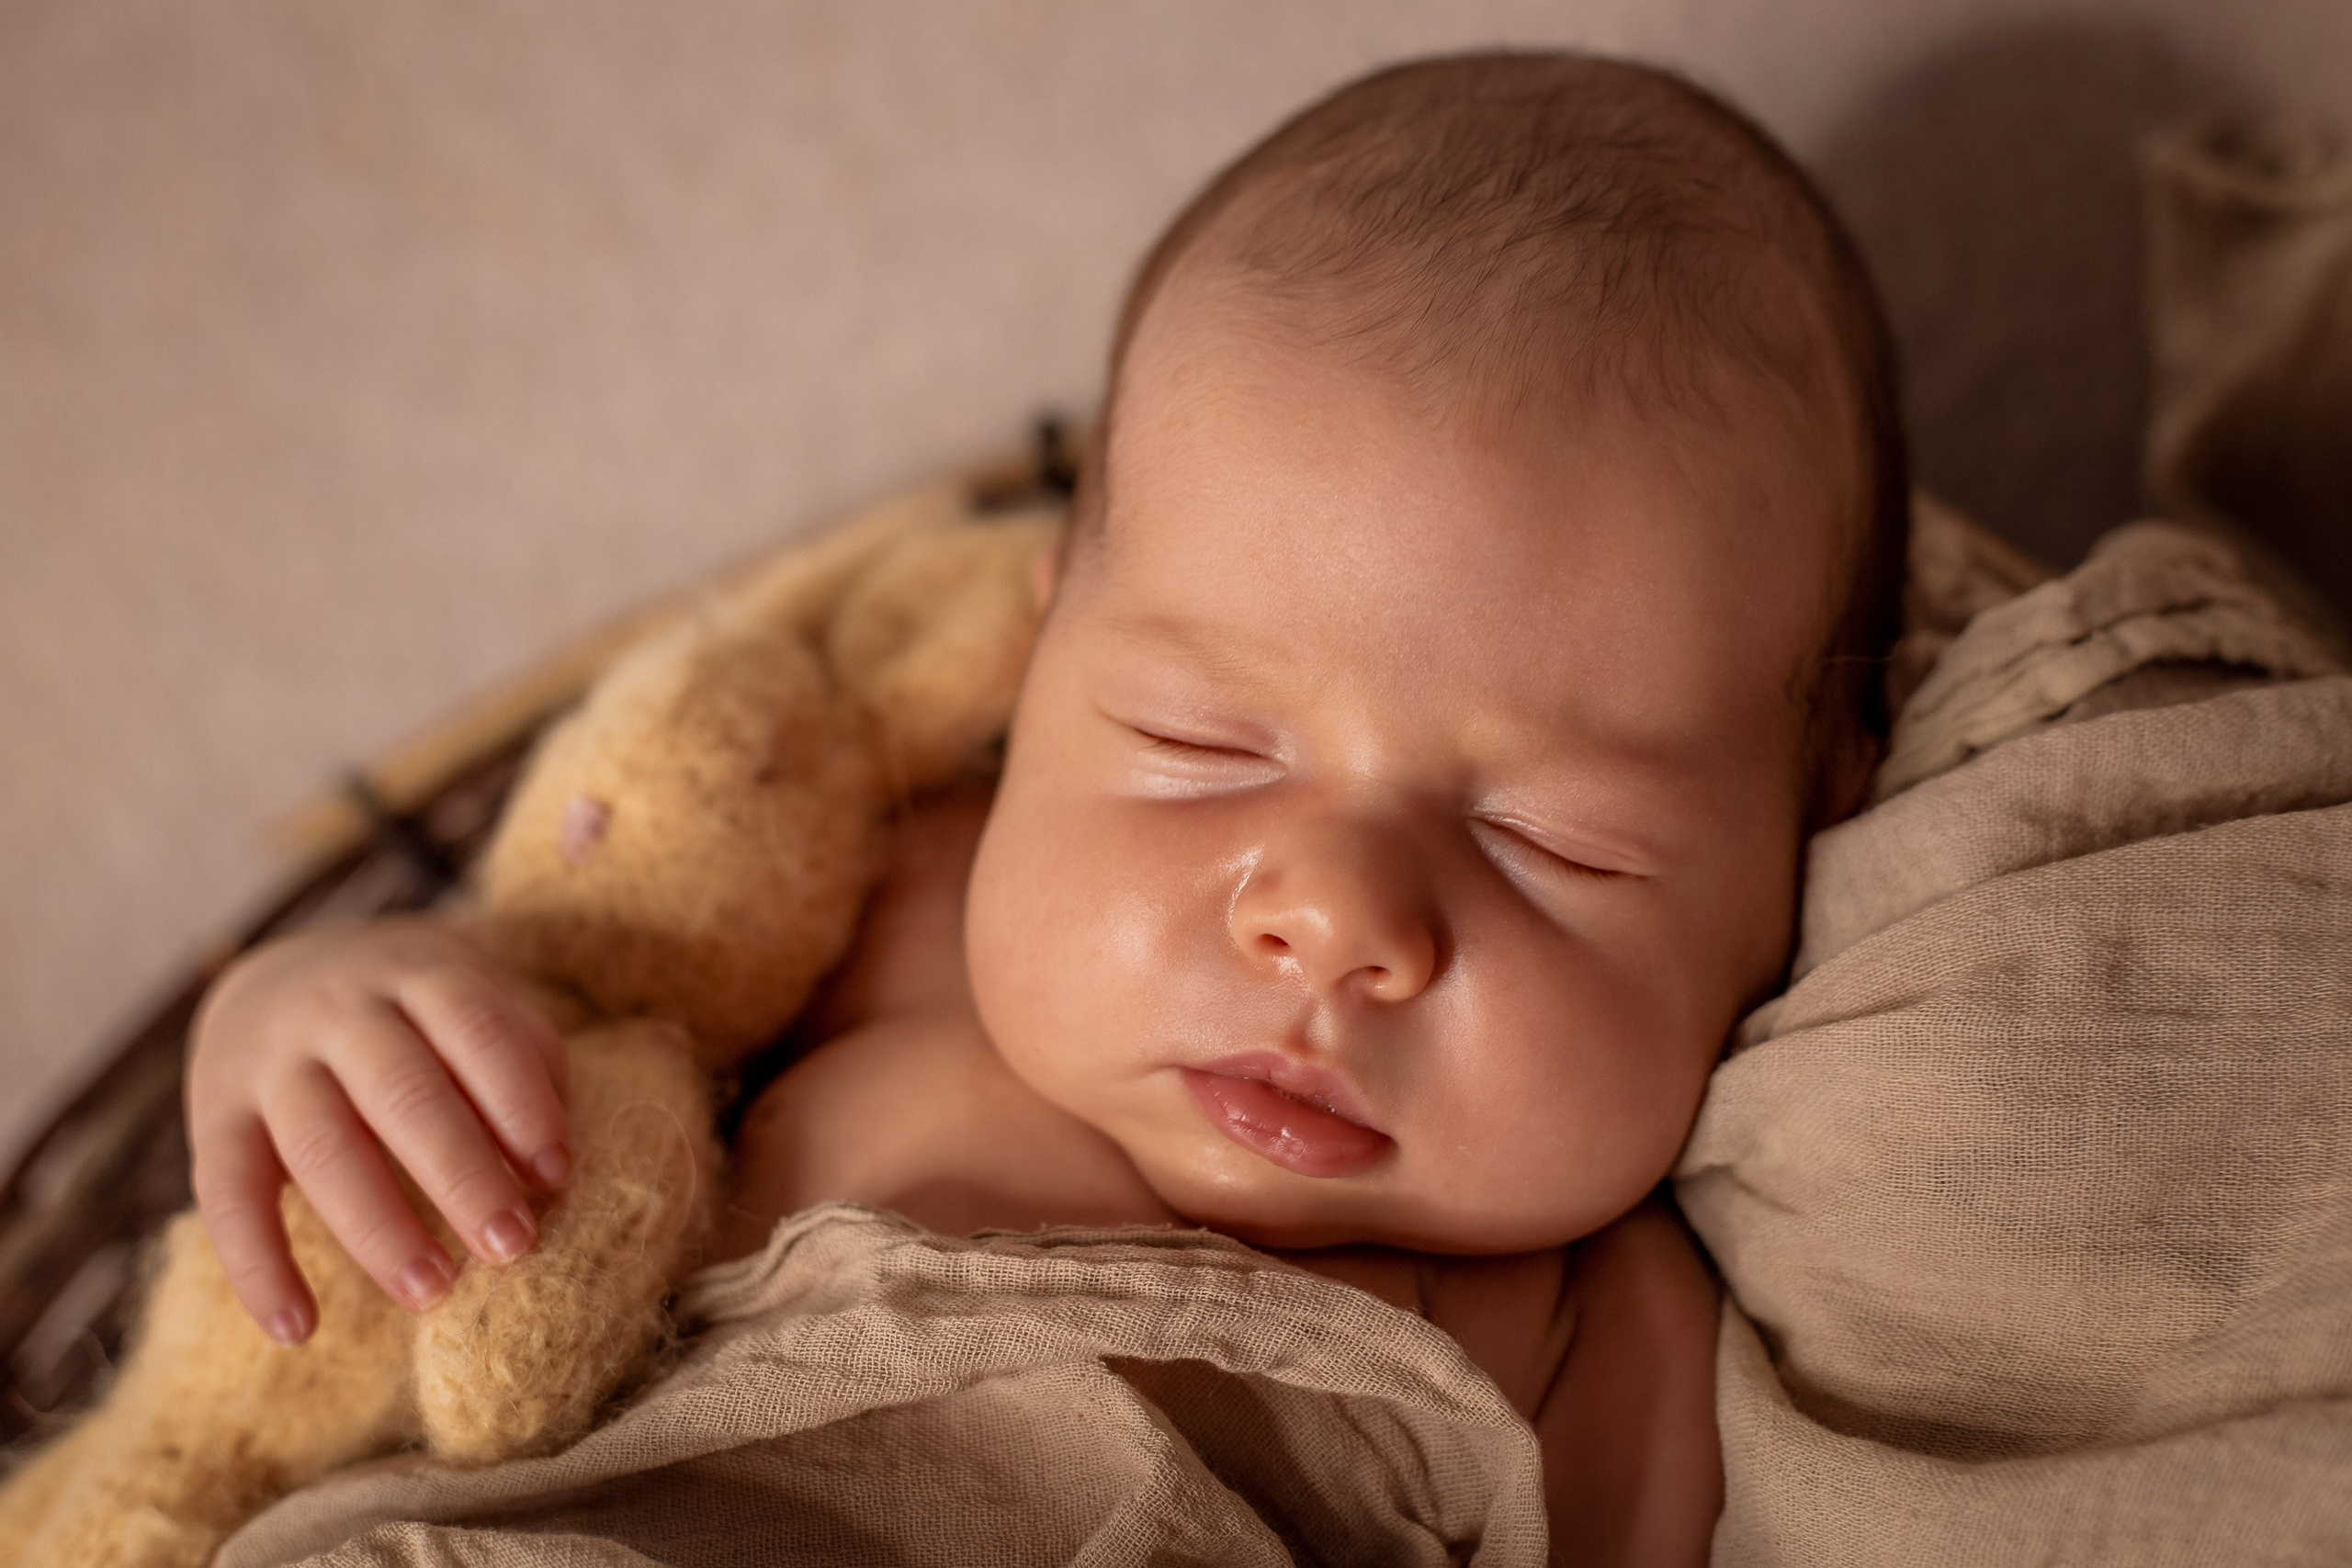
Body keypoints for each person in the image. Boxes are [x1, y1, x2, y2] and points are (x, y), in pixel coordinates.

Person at [185, 51, 1907, 1563]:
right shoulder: (876, 904)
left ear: (1797, 854)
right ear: (1032, 668)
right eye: (1204, 740)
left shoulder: (1613, 1328)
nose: (1329, 922)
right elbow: (558, 1006)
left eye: (1551, 841)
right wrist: (327, 1017)